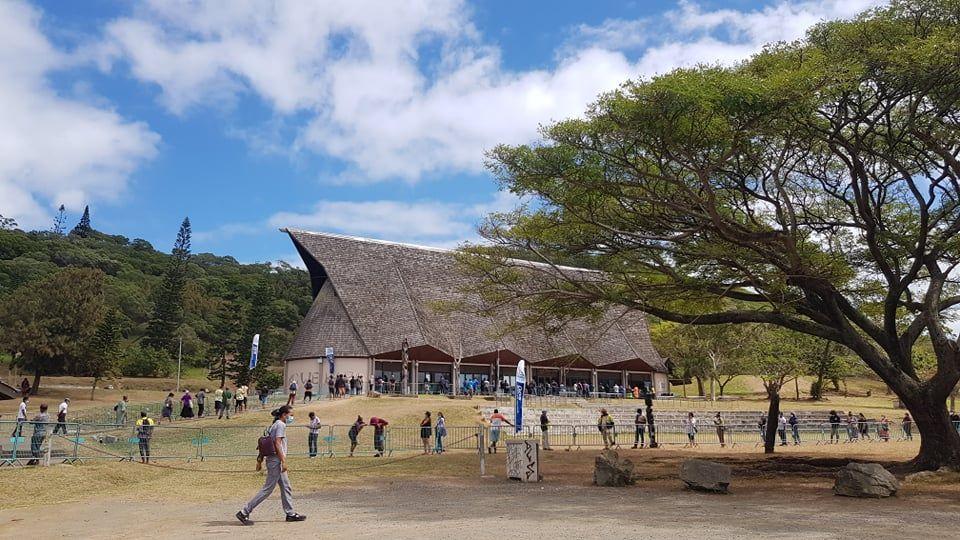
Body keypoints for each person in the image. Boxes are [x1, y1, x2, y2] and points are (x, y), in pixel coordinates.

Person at [236, 405, 306, 525]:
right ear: (284, 415)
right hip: (276, 461)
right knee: (267, 489)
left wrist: (260, 460)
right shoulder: (280, 425)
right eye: (291, 415)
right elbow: (277, 443)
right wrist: (283, 461)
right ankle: (244, 512)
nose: (292, 417)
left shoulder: (274, 425)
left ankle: (290, 513)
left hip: (274, 460)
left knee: (286, 486)